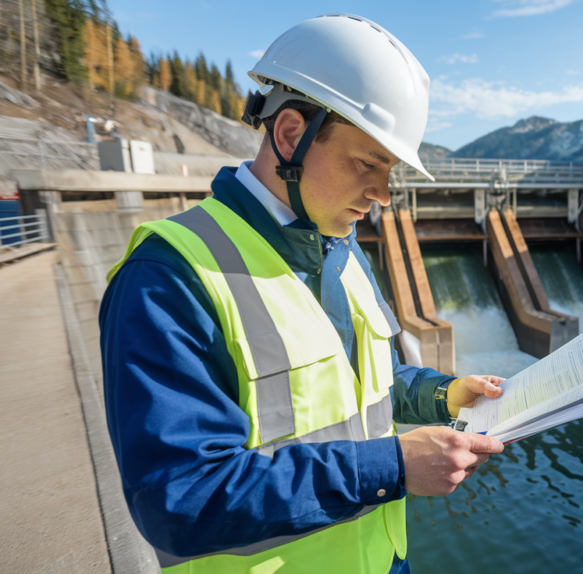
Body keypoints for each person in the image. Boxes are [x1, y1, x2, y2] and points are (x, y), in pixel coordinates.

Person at [99, 14, 505, 574]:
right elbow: (179, 499)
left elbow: (370, 382)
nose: (383, 195)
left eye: (390, 173)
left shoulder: (341, 246)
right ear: (290, 134)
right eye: (368, 164)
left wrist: (446, 394)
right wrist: (392, 467)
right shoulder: (170, 275)